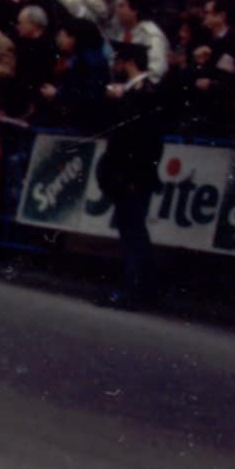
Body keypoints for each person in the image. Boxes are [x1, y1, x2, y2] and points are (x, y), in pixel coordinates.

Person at [97, 41, 170, 309]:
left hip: (132, 177)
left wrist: (133, 177)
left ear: (128, 62)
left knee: (133, 233)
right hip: (126, 175)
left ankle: (137, 291)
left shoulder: (144, 94)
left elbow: (145, 142)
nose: (115, 66)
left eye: (118, 61)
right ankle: (140, 289)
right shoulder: (132, 93)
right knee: (131, 232)